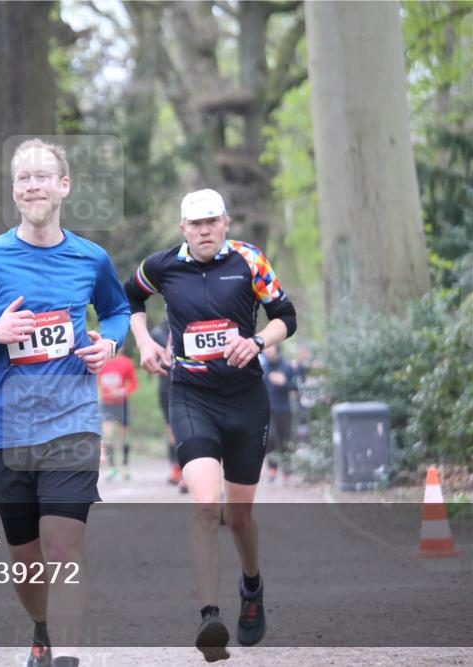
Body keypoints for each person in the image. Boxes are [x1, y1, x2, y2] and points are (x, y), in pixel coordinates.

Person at [0, 138, 130, 667]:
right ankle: (42, 628)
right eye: (23, 178)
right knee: (26, 560)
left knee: (64, 548)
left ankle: (66, 657)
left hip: (72, 424)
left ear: (64, 186)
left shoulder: (91, 257)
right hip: (5, 429)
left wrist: (108, 344)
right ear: (14, 191)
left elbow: (115, 311)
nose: (33, 185)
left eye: (43, 176)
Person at [124, 189, 296, 661]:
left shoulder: (249, 260)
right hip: (192, 396)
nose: (204, 230)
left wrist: (258, 341)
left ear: (225, 223)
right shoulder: (161, 266)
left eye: (212, 222)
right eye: (195, 224)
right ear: (183, 228)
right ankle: (209, 617)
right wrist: (142, 340)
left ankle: (252, 585)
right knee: (205, 507)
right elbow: (131, 296)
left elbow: (286, 316)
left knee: (238, 518)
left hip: (245, 399)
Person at [149, 319, 186, 492]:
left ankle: (187, 471)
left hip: (188, 381)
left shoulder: (187, 321)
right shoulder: (158, 332)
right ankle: (176, 468)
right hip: (167, 384)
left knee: (189, 427)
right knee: (172, 429)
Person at [260, 344, 298, 483]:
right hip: (268, 410)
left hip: (284, 409)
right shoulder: (263, 368)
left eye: (270, 347)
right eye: (265, 348)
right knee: (271, 438)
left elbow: (294, 387)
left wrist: (284, 382)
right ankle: (272, 468)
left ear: (277, 349)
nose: (267, 350)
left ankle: (287, 470)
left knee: (285, 441)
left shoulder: (287, 366)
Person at [97, 352, 138, 481]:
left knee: (124, 436)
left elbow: (133, 384)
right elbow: (98, 383)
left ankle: (125, 467)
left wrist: (121, 391)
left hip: (122, 403)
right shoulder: (100, 362)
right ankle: (112, 468)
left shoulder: (126, 362)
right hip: (107, 404)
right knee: (107, 435)